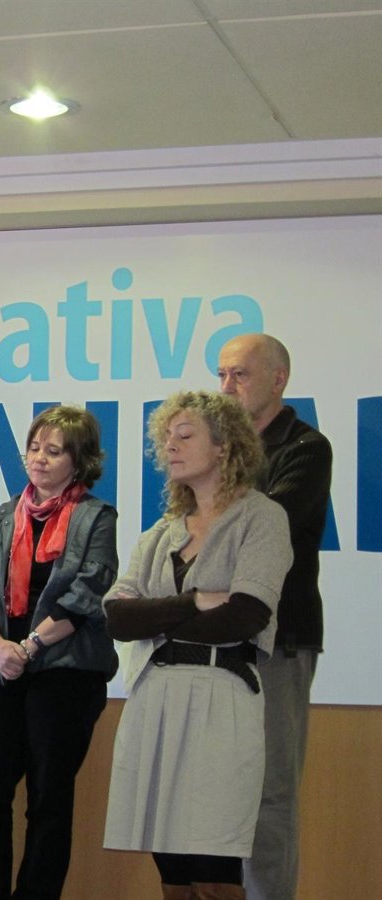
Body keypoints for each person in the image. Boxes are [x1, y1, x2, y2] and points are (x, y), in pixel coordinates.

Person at [103, 391, 293, 900]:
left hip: (220, 692)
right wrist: (196, 602)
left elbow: (245, 615)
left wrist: (158, 614)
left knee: (213, 862)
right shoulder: (162, 531)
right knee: (172, 868)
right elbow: (118, 617)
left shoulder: (261, 517)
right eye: (167, 437)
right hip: (157, 693)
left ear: (224, 446)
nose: (171, 446)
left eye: (185, 436)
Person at [0, 405, 118, 900]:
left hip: (64, 672)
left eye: (53, 450)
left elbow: (87, 594)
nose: (39, 458)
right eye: (33, 447)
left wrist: (28, 646)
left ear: (79, 460)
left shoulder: (96, 518)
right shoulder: (3, 517)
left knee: (48, 802)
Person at [217, 333, 331, 900]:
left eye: (239, 374)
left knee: (271, 793)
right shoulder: (219, 450)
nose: (226, 387)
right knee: (220, 792)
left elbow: (268, 526)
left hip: (280, 638)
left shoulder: (306, 447)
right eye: (221, 375)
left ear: (279, 378)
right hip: (221, 638)